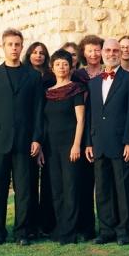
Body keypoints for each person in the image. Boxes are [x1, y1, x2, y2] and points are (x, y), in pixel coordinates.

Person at [0, 29, 44, 245]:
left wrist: (37, 138)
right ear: (4, 46)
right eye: (10, 44)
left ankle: (22, 232)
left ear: (21, 46)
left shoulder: (34, 76)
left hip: (26, 141)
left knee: (25, 190)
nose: (14, 48)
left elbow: (38, 110)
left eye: (17, 44)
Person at [85, 38, 129, 246]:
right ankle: (106, 229)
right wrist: (88, 143)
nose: (111, 53)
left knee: (124, 188)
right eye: (107, 50)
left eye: (115, 50)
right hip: (98, 142)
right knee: (102, 188)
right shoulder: (93, 82)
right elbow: (91, 114)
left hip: (121, 143)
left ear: (122, 53)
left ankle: (124, 230)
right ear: (102, 54)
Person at [44, 49, 85, 244]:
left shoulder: (76, 89)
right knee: (56, 189)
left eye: (65, 64)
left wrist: (76, 144)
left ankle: (70, 232)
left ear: (71, 67)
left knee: (70, 188)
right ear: (52, 67)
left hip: (70, 145)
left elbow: (81, 120)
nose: (62, 67)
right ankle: (60, 228)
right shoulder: (48, 92)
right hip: (51, 147)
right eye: (58, 64)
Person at [71, 34, 104, 240]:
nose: (93, 53)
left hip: (103, 130)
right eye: (89, 50)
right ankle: (86, 227)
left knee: (104, 183)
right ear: (83, 53)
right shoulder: (77, 76)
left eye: (97, 49)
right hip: (82, 132)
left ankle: (109, 225)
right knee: (83, 183)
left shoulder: (109, 73)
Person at [23, 41, 55, 237]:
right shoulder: (25, 76)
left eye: (42, 53)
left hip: (52, 131)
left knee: (50, 182)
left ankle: (48, 223)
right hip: (31, 133)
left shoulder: (52, 78)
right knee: (30, 181)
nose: (38, 56)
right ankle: (31, 224)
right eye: (35, 52)